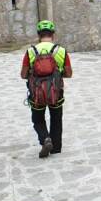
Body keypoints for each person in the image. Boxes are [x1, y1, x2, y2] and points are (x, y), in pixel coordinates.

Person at [20, 19, 72, 158]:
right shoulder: (60, 51)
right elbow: (69, 73)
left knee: (38, 119)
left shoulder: (31, 51)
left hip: (37, 94)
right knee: (56, 119)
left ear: (39, 35)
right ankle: (56, 147)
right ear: (53, 34)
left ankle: (45, 139)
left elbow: (23, 74)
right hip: (56, 93)